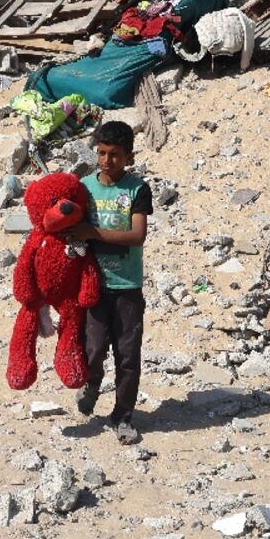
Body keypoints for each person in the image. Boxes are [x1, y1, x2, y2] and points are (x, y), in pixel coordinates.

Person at [64, 120, 152, 445]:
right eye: (101, 152)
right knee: (93, 347)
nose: (106, 161)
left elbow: (136, 235)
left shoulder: (137, 190)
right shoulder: (84, 188)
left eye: (114, 154)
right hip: (93, 286)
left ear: (128, 156)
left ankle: (123, 416)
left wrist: (93, 233)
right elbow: (69, 226)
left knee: (128, 355)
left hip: (127, 286)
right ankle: (93, 382)